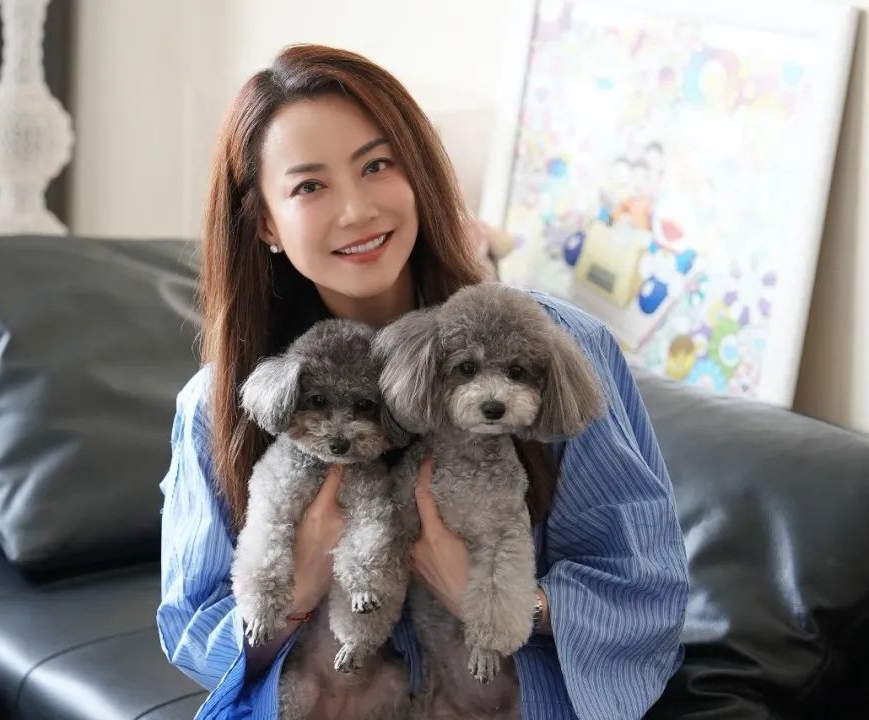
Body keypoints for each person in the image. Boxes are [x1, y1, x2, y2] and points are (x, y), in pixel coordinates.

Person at [157, 44, 689, 720]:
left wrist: (495, 599)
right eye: (310, 186)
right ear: (265, 220)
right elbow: (193, 626)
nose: (356, 210)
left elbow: (644, 588)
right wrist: (301, 587)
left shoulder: (555, 347)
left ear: (417, 172)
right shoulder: (219, 403)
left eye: (376, 166)